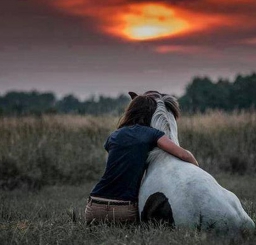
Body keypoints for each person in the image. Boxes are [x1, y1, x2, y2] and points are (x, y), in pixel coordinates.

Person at [85, 94, 198, 225]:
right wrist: (195, 169)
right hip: (124, 209)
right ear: (151, 113)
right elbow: (184, 155)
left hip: (94, 206)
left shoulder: (114, 135)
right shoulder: (152, 134)